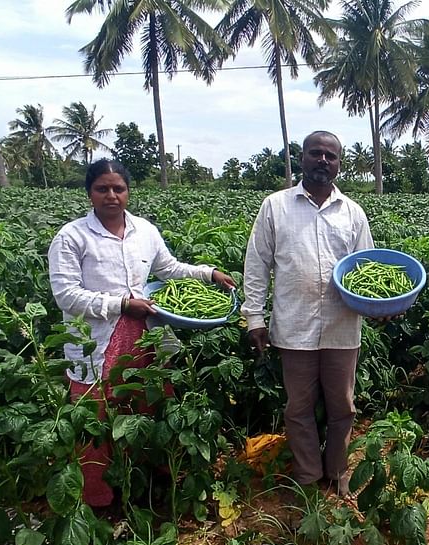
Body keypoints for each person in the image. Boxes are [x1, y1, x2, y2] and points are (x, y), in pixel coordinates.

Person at [47, 158, 236, 507]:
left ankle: (149, 485)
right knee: (95, 419)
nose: (111, 196)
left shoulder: (144, 231)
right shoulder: (72, 237)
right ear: (89, 192)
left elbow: (169, 268)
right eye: (102, 188)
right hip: (96, 341)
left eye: (118, 188)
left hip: (145, 336)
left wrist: (209, 274)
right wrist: (121, 304)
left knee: (146, 407)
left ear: (128, 192)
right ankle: (99, 499)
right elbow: (66, 295)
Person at [242, 131, 374, 496]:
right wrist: (255, 317)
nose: (323, 161)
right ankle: (307, 476)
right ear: (301, 158)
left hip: (341, 327)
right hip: (294, 325)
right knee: (298, 407)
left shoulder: (353, 213)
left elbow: (366, 269)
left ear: (339, 164)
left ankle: (338, 471)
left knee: (342, 406)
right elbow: (257, 264)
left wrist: (379, 305)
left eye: (330, 156)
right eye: (315, 153)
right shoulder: (276, 206)